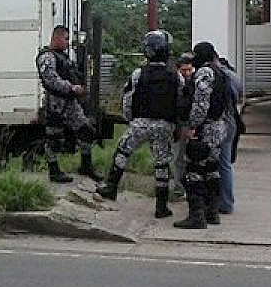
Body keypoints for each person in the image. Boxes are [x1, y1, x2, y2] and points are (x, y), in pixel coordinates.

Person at [96, 31, 183, 219]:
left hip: (140, 124)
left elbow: (127, 99)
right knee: (162, 163)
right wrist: (177, 126)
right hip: (164, 126)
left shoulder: (138, 74)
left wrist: (130, 119)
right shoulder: (176, 76)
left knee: (122, 151)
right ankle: (161, 206)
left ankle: (111, 187)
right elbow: (181, 102)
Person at [36, 25, 102, 183]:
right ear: (56, 38)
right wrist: (72, 88)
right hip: (55, 104)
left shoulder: (63, 57)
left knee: (86, 131)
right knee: (54, 139)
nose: (67, 43)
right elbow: (51, 80)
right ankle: (54, 171)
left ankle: (86, 166)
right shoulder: (47, 57)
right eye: (65, 39)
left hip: (70, 103)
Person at [174, 41, 229, 229]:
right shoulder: (221, 71)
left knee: (194, 171)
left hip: (205, 129)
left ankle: (196, 215)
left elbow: (201, 103)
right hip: (219, 126)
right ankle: (212, 213)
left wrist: (192, 126)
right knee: (212, 169)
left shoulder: (205, 73)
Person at [217, 57, 244, 214]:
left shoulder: (214, 76)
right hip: (231, 122)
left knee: (212, 165)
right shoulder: (234, 78)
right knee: (226, 164)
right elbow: (240, 98)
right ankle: (227, 202)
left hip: (218, 123)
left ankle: (216, 201)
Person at [170, 53, 196, 198]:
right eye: (183, 70)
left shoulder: (197, 82)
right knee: (179, 158)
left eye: (189, 70)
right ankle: (179, 189)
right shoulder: (175, 83)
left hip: (192, 124)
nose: (186, 73)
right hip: (180, 124)